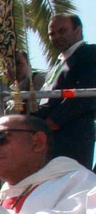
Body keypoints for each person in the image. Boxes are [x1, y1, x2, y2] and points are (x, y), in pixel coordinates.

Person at [32, 13, 96, 169]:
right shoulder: (59, 63)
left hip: (73, 133)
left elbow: (85, 92)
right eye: (52, 34)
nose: (56, 37)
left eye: (62, 31)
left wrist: (54, 120)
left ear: (77, 30)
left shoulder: (89, 53)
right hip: (50, 136)